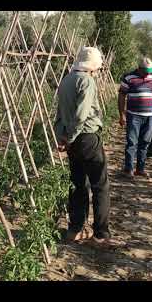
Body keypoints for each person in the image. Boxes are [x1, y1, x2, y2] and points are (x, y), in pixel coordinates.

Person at [54, 46, 119, 247]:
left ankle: (74, 230)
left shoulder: (65, 80)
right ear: (92, 66)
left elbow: (59, 113)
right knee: (100, 186)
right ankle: (100, 235)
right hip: (87, 138)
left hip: (71, 140)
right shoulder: (86, 81)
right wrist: (72, 136)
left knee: (78, 185)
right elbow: (81, 115)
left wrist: (63, 138)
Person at [118, 57, 152, 178]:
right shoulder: (128, 77)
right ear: (139, 69)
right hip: (133, 115)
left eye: (150, 71)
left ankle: (140, 169)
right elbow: (121, 96)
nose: (149, 73)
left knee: (145, 143)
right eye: (146, 71)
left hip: (150, 116)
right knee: (132, 143)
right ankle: (129, 169)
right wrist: (122, 114)